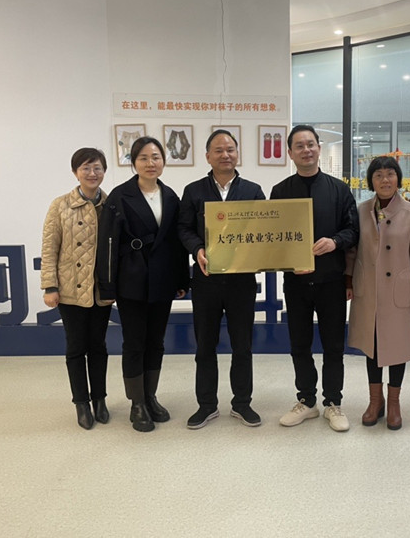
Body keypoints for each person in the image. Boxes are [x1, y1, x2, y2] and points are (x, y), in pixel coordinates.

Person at [96, 137, 189, 433]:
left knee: (156, 342)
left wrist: (182, 279)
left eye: (156, 157)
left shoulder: (171, 196)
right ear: (133, 162)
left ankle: (150, 396)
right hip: (131, 279)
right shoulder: (120, 196)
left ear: (164, 161)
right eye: (144, 158)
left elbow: (177, 243)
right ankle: (136, 403)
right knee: (134, 342)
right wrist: (107, 286)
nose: (151, 163)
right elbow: (107, 243)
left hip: (162, 279)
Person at [271, 124, 359, 432]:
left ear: (319, 149)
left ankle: (333, 402)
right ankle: (306, 401)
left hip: (331, 281)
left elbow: (353, 230)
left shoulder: (339, 190)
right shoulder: (280, 192)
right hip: (295, 282)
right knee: (299, 344)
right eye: (299, 145)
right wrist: (287, 262)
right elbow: (274, 238)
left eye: (311, 144)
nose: (306, 150)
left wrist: (335, 242)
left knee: (334, 345)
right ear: (290, 153)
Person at [178, 129, 266, 429]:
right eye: (218, 150)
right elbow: (183, 229)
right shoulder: (193, 191)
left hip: (242, 280)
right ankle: (206, 405)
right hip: (206, 279)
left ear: (237, 154)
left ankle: (242, 403)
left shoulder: (253, 191)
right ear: (208, 156)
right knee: (205, 346)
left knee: (243, 345)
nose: (225, 155)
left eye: (230, 149)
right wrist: (197, 249)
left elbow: (263, 231)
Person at [345, 156, 410, 431]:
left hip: (399, 291)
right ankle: (376, 401)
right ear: (370, 181)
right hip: (368, 290)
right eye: (378, 175)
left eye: (390, 174)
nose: (385, 180)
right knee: (372, 346)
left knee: (396, 346)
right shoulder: (361, 210)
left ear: (398, 179)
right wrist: (348, 281)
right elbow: (352, 250)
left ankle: (394, 402)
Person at [41, 148, 112, 430]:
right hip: (70, 288)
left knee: (99, 347)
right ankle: (81, 402)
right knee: (75, 347)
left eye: (97, 168)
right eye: (86, 168)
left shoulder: (111, 204)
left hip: (100, 290)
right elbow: (49, 248)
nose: (92, 173)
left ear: (104, 171)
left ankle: (100, 399)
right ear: (75, 172)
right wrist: (50, 286)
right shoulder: (60, 205)